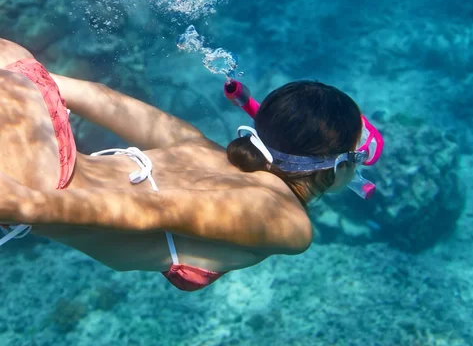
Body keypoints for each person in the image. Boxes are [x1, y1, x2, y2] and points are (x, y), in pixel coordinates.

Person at [0, 37, 383, 291]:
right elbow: (154, 209)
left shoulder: (196, 144)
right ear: (339, 166)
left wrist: (22, 79)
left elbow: (98, 98)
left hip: (28, 99)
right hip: (34, 175)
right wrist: (27, 205)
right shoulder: (288, 222)